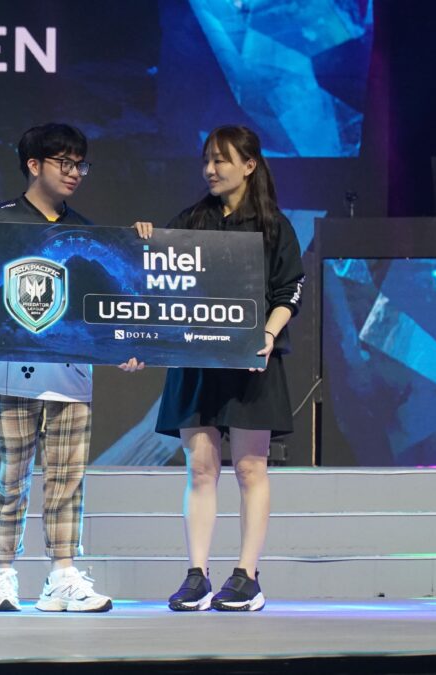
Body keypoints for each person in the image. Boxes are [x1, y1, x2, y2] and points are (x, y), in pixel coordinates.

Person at [122, 125, 304, 612]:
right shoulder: (189, 221)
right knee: (200, 468)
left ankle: (247, 577)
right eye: (206, 159)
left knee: (249, 467)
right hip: (196, 362)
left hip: (251, 363)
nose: (210, 169)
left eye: (221, 159)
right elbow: (156, 284)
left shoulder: (274, 227)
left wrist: (267, 336)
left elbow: (289, 290)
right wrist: (146, 242)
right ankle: (196, 575)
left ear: (249, 165)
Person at [0, 123, 113, 612]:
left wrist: (122, 342)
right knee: (9, 479)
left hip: (70, 375)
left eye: (81, 164)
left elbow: (101, 306)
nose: (75, 173)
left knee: (67, 480)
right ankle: (3, 575)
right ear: (34, 165)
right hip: (8, 371)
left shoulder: (86, 232)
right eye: (65, 163)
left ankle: (62, 575)